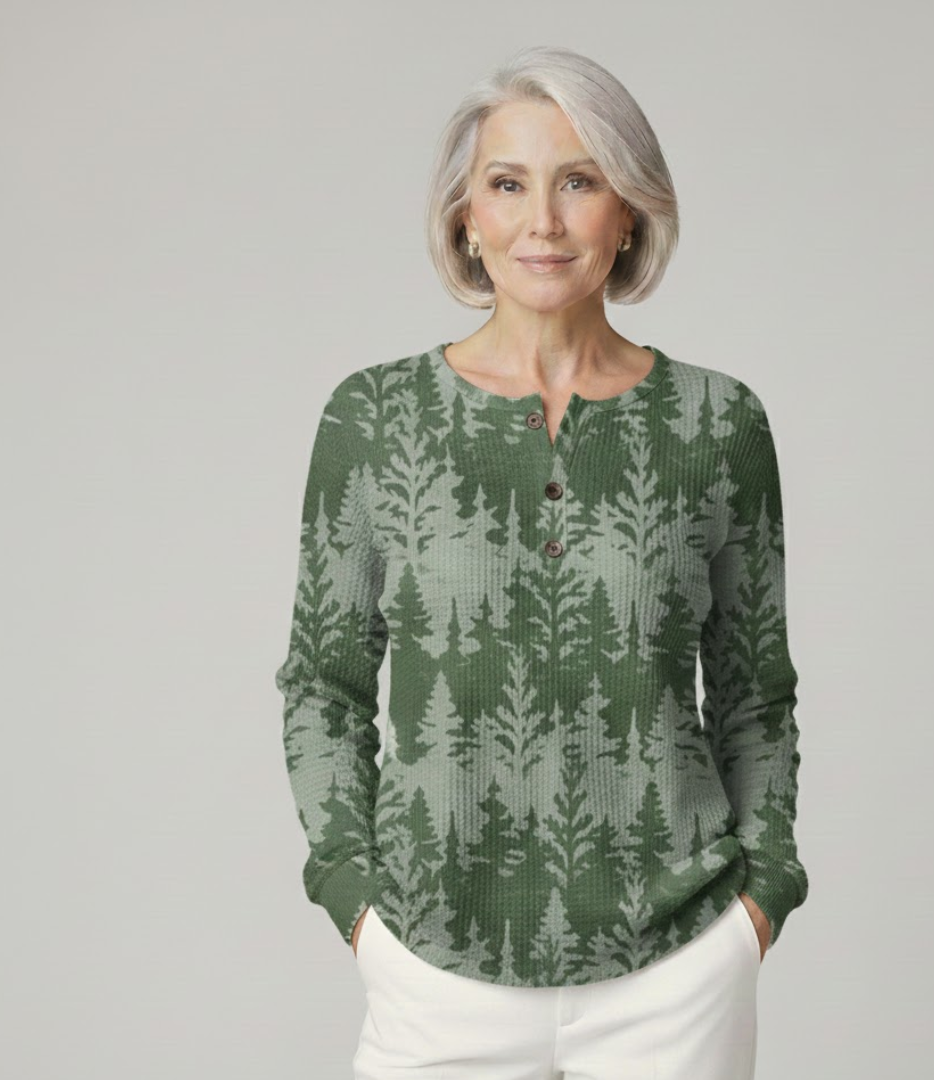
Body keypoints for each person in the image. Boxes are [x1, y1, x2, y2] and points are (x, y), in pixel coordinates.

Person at [274, 43, 809, 1080]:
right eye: (508, 184)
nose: (544, 223)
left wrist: (762, 897)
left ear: (630, 212)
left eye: (580, 181)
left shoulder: (717, 424)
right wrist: (354, 898)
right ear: (466, 217)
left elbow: (755, 694)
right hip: (433, 964)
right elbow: (322, 686)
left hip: (678, 968)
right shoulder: (374, 421)